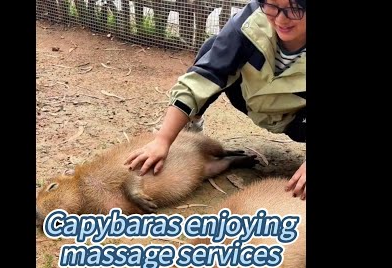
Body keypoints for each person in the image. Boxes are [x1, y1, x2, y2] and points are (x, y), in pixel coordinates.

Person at [124, 0, 307, 199]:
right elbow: (204, 75)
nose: (280, 18)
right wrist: (163, 139)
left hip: (297, 121)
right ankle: (191, 125)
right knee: (214, 47)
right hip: (249, 99)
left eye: (294, 9)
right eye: (271, 5)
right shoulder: (250, 21)